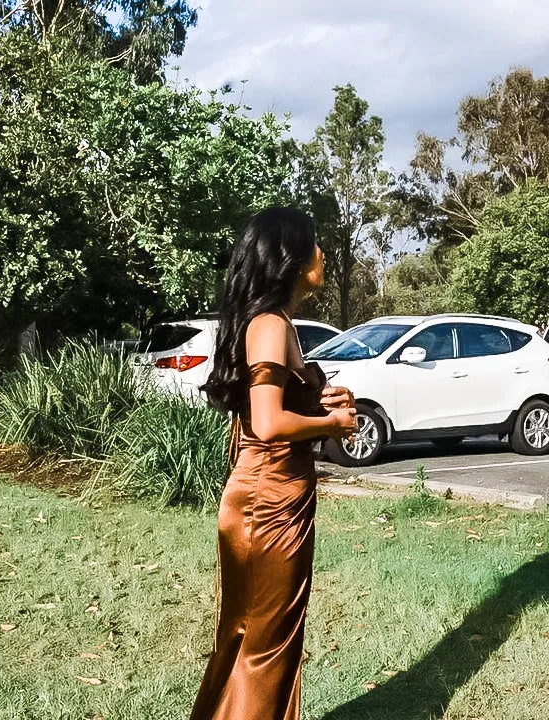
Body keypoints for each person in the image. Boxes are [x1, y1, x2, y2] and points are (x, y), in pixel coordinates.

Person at [191, 207, 358, 720]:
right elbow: (266, 424)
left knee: (250, 639)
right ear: (292, 258)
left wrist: (320, 400)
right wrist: (332, 426)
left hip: (268, 495)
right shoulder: (268, 325)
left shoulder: (274, 322)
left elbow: (270, 409)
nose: (323, 254)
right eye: (315, 244)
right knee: (265, 646)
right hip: (269, 502)